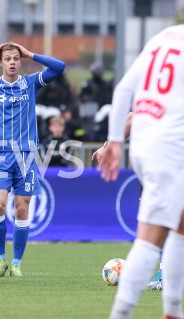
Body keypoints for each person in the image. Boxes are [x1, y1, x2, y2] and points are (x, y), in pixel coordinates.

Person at [98, 24, 184, 319]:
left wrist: (115, 143)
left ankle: (172, 311)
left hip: (147, 146)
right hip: (171, 150)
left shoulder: (164, 37)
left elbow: (124, 89)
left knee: (180, 224)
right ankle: (120, 314)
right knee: (151, 236)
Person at [0, 42, 65, 277]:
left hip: (26, 156)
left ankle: (16, 262)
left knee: (21, 209)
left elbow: (59, 67)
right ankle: (0, 259)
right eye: (8, 58)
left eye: (16, 58)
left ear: (21, 60)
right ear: (1, 62)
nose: (13, 62)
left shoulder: (31, 82)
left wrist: (31, 54)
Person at [93, 112, 163, 292]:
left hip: (160, 167)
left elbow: (132, 117)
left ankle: (167, 272)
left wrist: (108, 147)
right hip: (155, 169)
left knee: (157, 223)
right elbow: (132, 116)